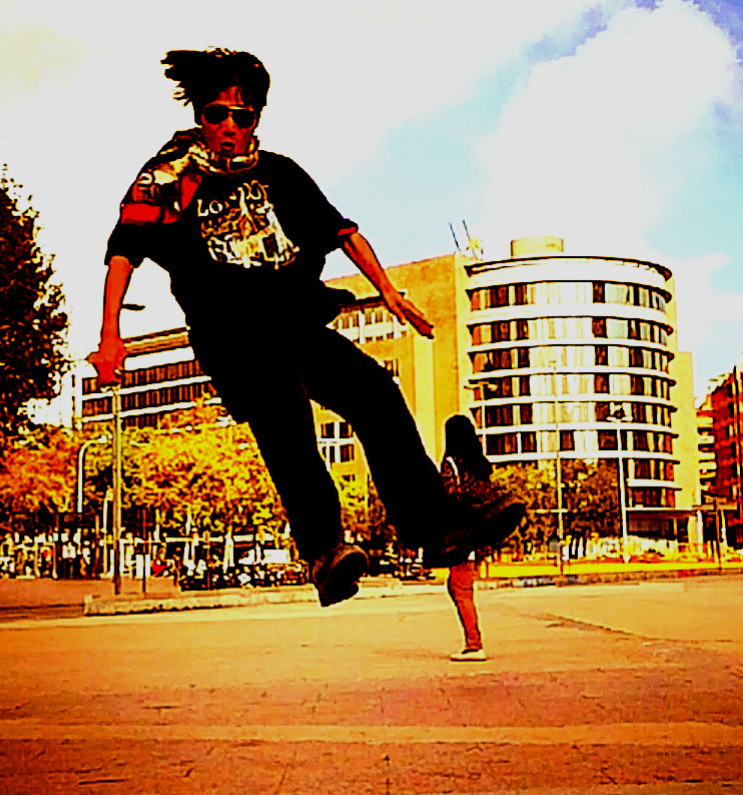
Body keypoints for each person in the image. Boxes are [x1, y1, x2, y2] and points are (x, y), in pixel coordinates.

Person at [89, 48, 519, 607]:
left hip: (293, 321)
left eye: (241, 117)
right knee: (286, 418)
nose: (227, 128)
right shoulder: (169, 177)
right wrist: (110, 336)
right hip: (232, 334)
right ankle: (324, 550)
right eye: (215, 114)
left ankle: (431, 524)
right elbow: (126, 249)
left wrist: (388, 290)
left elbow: (341, 231)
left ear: (256, 119)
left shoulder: (279, 173)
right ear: (199, 114)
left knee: (376, 392)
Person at [440, 415, 524, 661]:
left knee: (461, 589)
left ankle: (474, 645)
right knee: (457, 587)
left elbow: (451, 497)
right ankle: (472, 640)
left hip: (462, 535)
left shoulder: (452, 463)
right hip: (479, 535)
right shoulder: (479, 466)